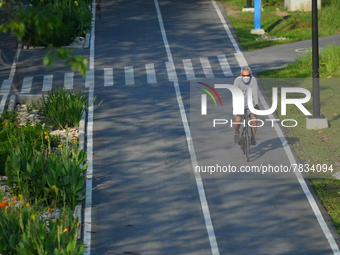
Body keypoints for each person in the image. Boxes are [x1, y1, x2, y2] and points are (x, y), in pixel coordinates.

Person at [233, 68, 259, 145]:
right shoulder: (237, 81)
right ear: (241, 75)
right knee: (238, 118)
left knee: (253, 117)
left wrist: (256, 104)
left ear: (250, 75)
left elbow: (255, 92)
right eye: (244, 75)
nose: (246, 77)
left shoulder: (253, 80)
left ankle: (253, 137)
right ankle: (237, 132)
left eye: (248, 75)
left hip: (250, 100)